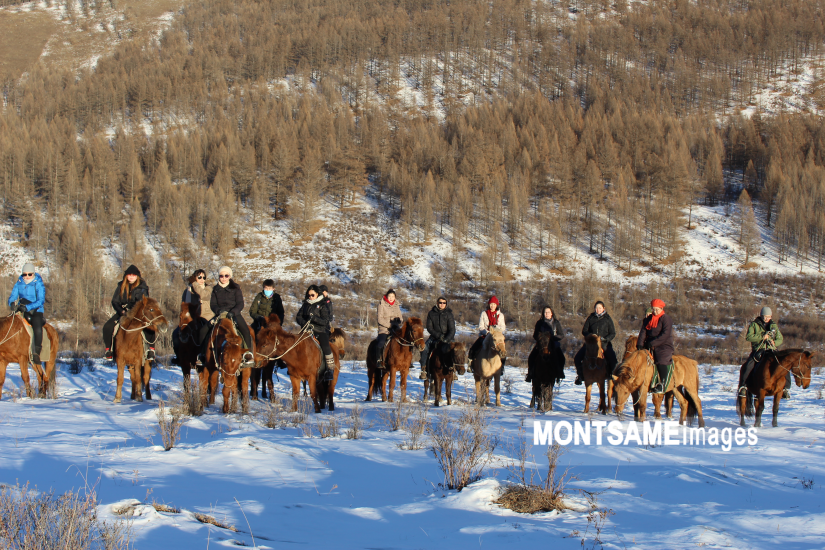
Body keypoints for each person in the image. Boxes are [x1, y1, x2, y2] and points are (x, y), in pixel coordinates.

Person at [198, 266, 254, 367]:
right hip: (219, 315)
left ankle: (247, 354)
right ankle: (202, 354)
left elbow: (240, 303)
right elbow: (213, 304)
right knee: (203, 330)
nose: (223, 278)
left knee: (246, 330)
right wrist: (218, 311)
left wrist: (233, 312)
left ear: (230, 276)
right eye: (221, 276)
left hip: (234, 314)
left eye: (226, 275)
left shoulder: (236, 288)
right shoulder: (215, 289)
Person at [103, 265, 150, 360]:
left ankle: (151, 350)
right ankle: (108, 350)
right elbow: (115, 301)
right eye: (129, 275)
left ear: (137, 276)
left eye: (133, 275)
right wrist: (122, 311)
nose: (131, 276)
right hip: (123, 312)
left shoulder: (143, 286)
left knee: (150, 326)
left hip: (138, 312)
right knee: (107, 326)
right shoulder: (121, 285)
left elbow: (144, 302)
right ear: (126, 276)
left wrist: (134, 311)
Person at [740, 306, 787, 398]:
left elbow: (780, 338)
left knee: (784, 364)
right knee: (749, 364)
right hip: (759, 349)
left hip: (771, 349)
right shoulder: (754, 324)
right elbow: (749, 337)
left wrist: (775, 342)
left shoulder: (774, 325)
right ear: (761, 316)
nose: (767, 319)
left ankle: (785, 389)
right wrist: (762, 337)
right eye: (765, 316)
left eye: (769, 317)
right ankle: (743, 387)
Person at [8, 262, 46, 364]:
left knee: (37, 327)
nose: (27, 276)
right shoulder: (19, 282)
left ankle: (36, 353)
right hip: (22, 307)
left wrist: (28, 307)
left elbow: (41, 300)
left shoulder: (38, 283)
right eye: (25, 274)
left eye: (30, 274)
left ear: (33, 274)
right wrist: (11, 303)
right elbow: (13, 295)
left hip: (36, 309)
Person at [296, 285, 335, 381]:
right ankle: (295, 366)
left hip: (320, 330)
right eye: (309, 295)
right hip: (306, 329)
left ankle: (330, 369)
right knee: (295, 343)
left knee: (325, 345)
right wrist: (305, 323)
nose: (310, 297)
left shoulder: (323, 305)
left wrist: (314, 319)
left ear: (317, 294)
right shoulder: (305, 304)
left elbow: (325, 320)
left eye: (312, 295)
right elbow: (298, 317)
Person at [573, 301, 617, 385]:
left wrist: (605, 339)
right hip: (590, 344)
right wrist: (590, 336)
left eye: (600, 308)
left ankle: (610, 374)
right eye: (596, 308)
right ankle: (581, 376)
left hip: (604, 344)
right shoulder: (590, 317)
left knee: (613, 360)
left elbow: (612, 333)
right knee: (577, 358)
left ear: (604, 309)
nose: (598, 310)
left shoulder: (607, 318)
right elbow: (584, 331)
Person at [637, 299, 674, 394]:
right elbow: (643, 331)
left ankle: (662, 384)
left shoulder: (666, 319)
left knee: (661, 359)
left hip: (664, 344)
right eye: (653, 309)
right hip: (649, 343)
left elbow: (665, 334)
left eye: (657, 309)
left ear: (661, 309)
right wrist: (640, 344)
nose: (655, 311)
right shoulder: (648, 319)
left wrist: (653, 343)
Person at [525, 306, 565, 383]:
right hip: (541, 345)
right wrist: (540, 339)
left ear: (552, 313)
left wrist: (552, 338)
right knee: (531, 357)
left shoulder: (556, 322)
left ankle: (560, 372)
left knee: (562, 358)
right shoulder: (539, 323)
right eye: (545, 312)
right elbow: (535, 334)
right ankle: (530, 374)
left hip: (553, 344)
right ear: (543, 314)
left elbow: (561, 335)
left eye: (548, 312)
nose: (546, 314)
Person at [420, 296, 456, 379]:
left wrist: (447, 338)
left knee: (455, 349)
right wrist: (438, 336)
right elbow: (429, 328)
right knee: (424, 348)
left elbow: (452, 329)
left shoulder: (449, 314)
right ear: (437, 303)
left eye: (444, 303)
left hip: (447, 337)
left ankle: (453, 370)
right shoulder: (431, 313)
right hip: (434, 337)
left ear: (446, 304)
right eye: (440, 302)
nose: (442, 304)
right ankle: (424, 369)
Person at [375, 289, 402, 368]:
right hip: (384, 328)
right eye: (389, 296)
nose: (391, 298)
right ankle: (379, 359)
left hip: (395, 328)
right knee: (381, 342)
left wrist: (399, 321)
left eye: (393, 296)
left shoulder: (396, 305)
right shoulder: (381, 305)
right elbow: (380, 319)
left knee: (405, 340)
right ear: (386, 296)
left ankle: (406, 360)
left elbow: (401, 317)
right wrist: (389, 325)